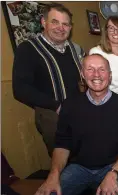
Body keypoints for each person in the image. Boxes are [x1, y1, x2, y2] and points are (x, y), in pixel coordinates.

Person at [33, 54, 118, 195]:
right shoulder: (70, 106)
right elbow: (62, 144)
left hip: (114, 164)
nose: (96, 75)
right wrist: (53, 175)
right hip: (80, 166)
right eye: (90, 69)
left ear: (110, 75)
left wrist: (113, 173)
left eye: (102, 69)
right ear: (82, 75)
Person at [12, 3, 84, 157]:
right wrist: (55, 106)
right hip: (52, 115)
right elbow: (20, 88)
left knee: (85, 155)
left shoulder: (75, 49)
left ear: (70, 28)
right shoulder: (28, 49)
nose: (61, 28)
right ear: (44, 22)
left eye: (65, 24)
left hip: (79, 112)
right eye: (55, 22)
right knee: (63, 160)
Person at [89, 16, 118, 99]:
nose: (115, 32)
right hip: (110, 103)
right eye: (111, 28)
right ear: (106, 31)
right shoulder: (97, 52)